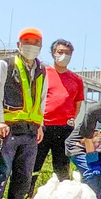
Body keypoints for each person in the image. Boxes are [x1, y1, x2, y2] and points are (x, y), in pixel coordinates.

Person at [0, 27, 48, 199]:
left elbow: (42, 99)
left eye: (35, 43)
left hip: (30, 130)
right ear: (19, 45)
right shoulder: (6, 64)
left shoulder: (42, 69)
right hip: (8, 127)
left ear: (40, 46)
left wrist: (40, 125)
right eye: (27, 42)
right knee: (2, 170)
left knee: (24, 174)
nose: (31, 46)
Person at [31, 39, 83, 190]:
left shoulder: (76, 79)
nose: (63, 56)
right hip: (43, 126)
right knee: (34, 165)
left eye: (67, 53)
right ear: (53, 53)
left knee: (62, 169)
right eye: (60, 52)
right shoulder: (43, 72)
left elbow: (77, 104)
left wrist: (70, 119)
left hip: (64, 129)